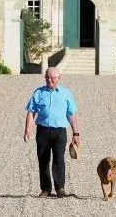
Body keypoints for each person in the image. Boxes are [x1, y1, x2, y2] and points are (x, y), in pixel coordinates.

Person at [23, 67, 81, 198]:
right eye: (47, 77)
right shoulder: (38, 92)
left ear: (58, 78)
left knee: (59, 159)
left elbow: (71, 115)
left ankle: (60, 188)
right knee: (43, 160)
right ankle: (46, 189)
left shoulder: (66, 93)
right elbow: (31, 112)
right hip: (42, 130)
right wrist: (27, 130)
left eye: (53, 78)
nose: (50, 80)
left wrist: (76, 134)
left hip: (60, 131)